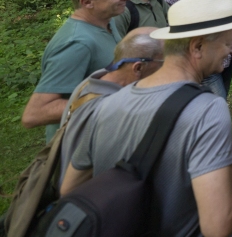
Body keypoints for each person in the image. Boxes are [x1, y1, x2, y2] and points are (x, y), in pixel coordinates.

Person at [61, 0, 232, 237]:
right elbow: (218, 224)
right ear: (198, 46)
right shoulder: (207, 110)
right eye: (228, 42)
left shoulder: (103, 105)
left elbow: (69, 189)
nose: (231, 51)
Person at [22, 0, 130, 140]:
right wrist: (111, 103)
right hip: (78, 152)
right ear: (87, 3)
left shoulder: (108, 22)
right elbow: (34, 114)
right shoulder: (77, 43)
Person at [58, 27, 164, 183]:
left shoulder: (92, 81)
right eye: (164, 63)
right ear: (138, 67)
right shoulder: (111, 108)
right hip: (90, 196)